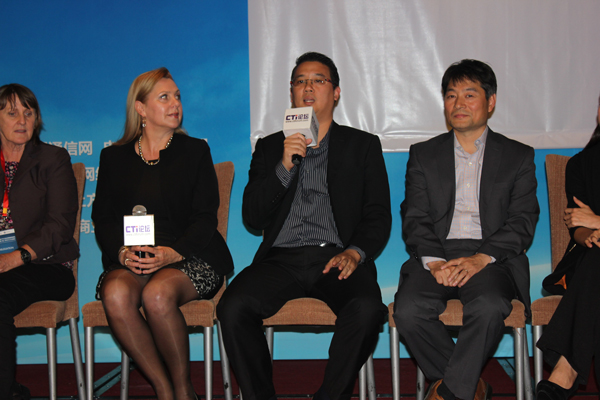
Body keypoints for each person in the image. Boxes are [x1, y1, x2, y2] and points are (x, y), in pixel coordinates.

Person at [217, 52, 391, 400]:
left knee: (368, 308)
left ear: (336, 92)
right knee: (232, 307)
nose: (308, 87)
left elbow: (378, 215)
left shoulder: (362, 145)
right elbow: (252, 216)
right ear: (292, 92)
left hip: (337, 257)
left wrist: (355, 253)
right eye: (300, 81)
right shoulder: (270, 147)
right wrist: (284, 165)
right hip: (279, 260)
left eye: (318, 80)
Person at [393, 59, 539, 400]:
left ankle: (449, 393)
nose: (458, 104)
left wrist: (480, 258)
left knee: (489, 305)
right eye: (451, 95)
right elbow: (414, 215)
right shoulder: (424, 154)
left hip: (491, 258)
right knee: (409, 310)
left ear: (491, 102)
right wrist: (434, 262)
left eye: (469, 95)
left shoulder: (517, 156)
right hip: (437, 254)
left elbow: (522, 220)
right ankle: (470, 388)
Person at [92, 67, 233, 400]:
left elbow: (205, 217)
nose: (175, 104)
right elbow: (104, 218)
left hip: (191, 255)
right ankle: (164, 389)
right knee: (115, 294)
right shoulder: (113, 157)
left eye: (177, 97)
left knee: (157, 295)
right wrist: (122, 253)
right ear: (141, 108)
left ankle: (183, 390)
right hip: (136, 256)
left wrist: (172, 253)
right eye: (165, 97)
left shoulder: (195, 151)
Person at [0, 84, 79, 400]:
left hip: (46, 265)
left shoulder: (52, 159)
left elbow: (59, 225)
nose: (22, 120)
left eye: (28, 113)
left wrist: (14, 258)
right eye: (12, 113)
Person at [535, 99, 600, 400]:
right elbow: (577, 226)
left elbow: (590, 219)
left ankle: (567, 367)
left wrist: (598, 221)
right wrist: (591, 235)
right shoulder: (581, 164)